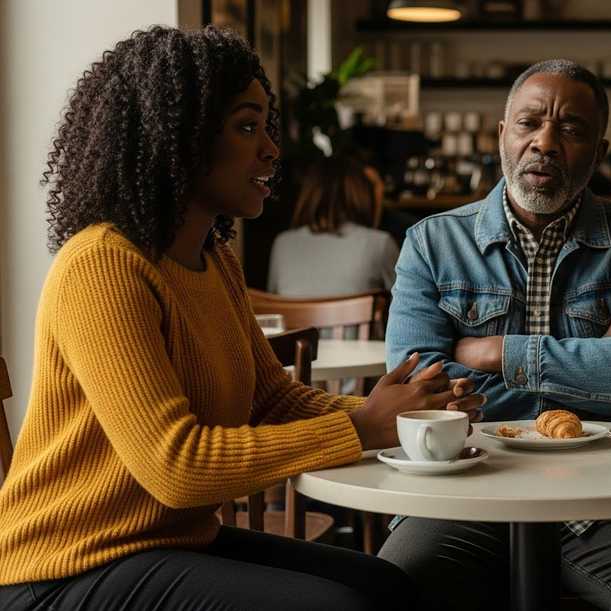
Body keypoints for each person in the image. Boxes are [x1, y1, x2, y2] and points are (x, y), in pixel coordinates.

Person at [0, 26, 484, 610]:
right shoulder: (103, 265)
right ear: (178, 139)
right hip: (66, 568)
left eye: (265, 127)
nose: (271, 150)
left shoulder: (213, 260)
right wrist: (364, 427)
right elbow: (175, 467)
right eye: (247, 126)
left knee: (387, 585)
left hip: (167, 543)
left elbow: (272, 400)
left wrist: (405, 415)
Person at [378, 59, 611, 610]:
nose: (546, 142)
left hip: (609, 491)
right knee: (396, 589)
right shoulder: (430, 243)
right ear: (501, 136)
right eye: (529, 123)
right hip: (464, 486)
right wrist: (605, 359)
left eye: (571, 129)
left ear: (599, 153)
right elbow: (420, 388)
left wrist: (498, 353)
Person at [269, 154, 400, 296]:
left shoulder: (283, 243)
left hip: (294, 319)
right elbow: (409, 309)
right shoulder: (380, 243)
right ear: (361, 193)